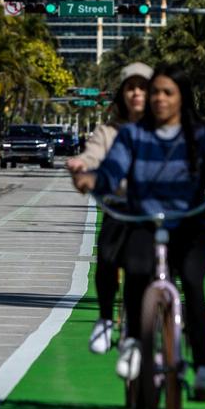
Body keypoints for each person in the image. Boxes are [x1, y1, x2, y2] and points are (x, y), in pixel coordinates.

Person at [72, 67, 205, 401]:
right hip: (145, 222)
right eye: (155, 92)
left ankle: (203, 369)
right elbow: (113, 169)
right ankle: (133, 343)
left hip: (189, 224)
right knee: (137, 274)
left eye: (166, 92)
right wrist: (93, 179)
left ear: (181, 97)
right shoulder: (132, 135)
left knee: (194, 286)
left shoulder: (200, 134)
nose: (158, 98)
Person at [67, 62, 152, 355]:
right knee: (107, 259)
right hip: (119, 209)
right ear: (122, 96)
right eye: (131, 88)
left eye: (143, 88)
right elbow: (92, 155)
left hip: (156, 211)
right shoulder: (108, 132)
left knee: (144, 269)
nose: (136, 94)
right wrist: (82, 166)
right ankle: (105, 319)